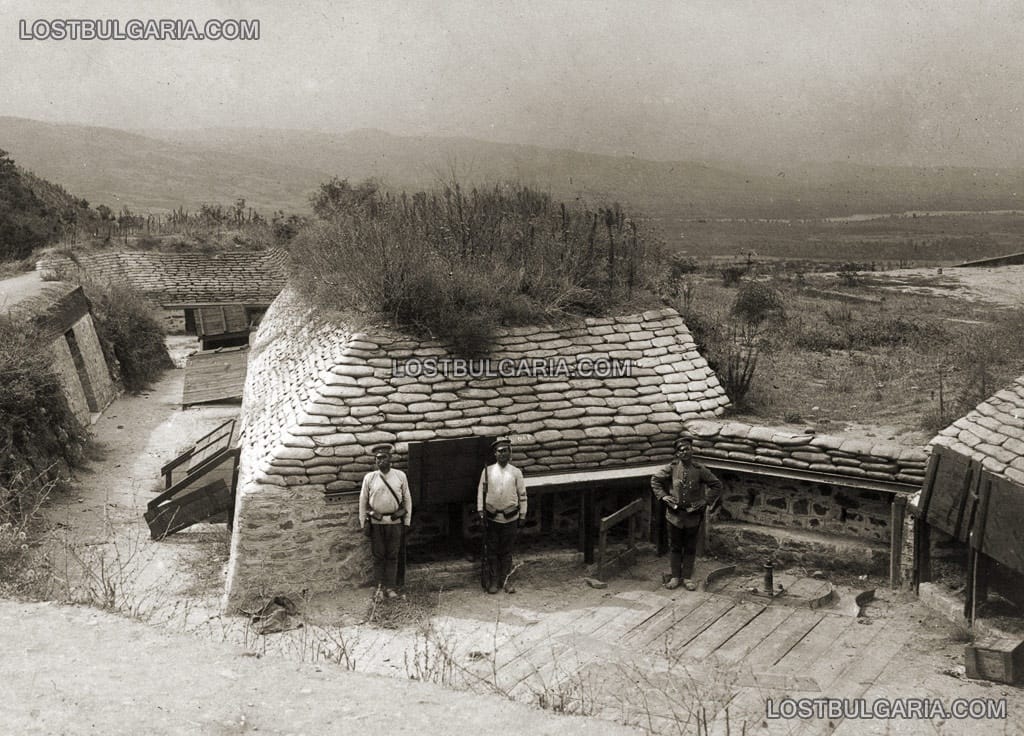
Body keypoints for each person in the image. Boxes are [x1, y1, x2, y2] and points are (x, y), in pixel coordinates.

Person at [650, 433, 723, 591]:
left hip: (692, 516)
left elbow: (717, 485)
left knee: (690, 547)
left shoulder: (699, 470)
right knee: (675, 546)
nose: (684, 452)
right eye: (681, 450)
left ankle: (688, 577)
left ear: (692, 451)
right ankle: (676, 576)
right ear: (677, 453)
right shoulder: (672, 468)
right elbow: (655, 480)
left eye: (687, 449)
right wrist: (663, 496)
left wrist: (705, 501)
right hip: (674, 515)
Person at [358, 443, 412, 599]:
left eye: (383, 458)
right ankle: (379, 588)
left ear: (390, 458)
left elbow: (407, 499)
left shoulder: (400, 476)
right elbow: (363, 501)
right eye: (377, 458)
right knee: (378, 557)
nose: (379, 461)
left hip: (395, 523)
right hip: (377, 524)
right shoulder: (370, 478)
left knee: (392, 556)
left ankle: (391, 588)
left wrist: (406, 521)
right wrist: (364, 522)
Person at [477, 436, 527, 594]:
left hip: (510, 518)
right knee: (492, 551)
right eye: (499, 451)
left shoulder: (516, 472)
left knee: (506, 552)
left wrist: (523, 514)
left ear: (510, 453)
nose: (502, 454)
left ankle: (505, 581)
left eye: (505, 451)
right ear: (495, 454)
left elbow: (523, 494)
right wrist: (480, 510)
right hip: (492, 518)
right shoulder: (487, 471)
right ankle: (493, 581)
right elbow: (481, 492)